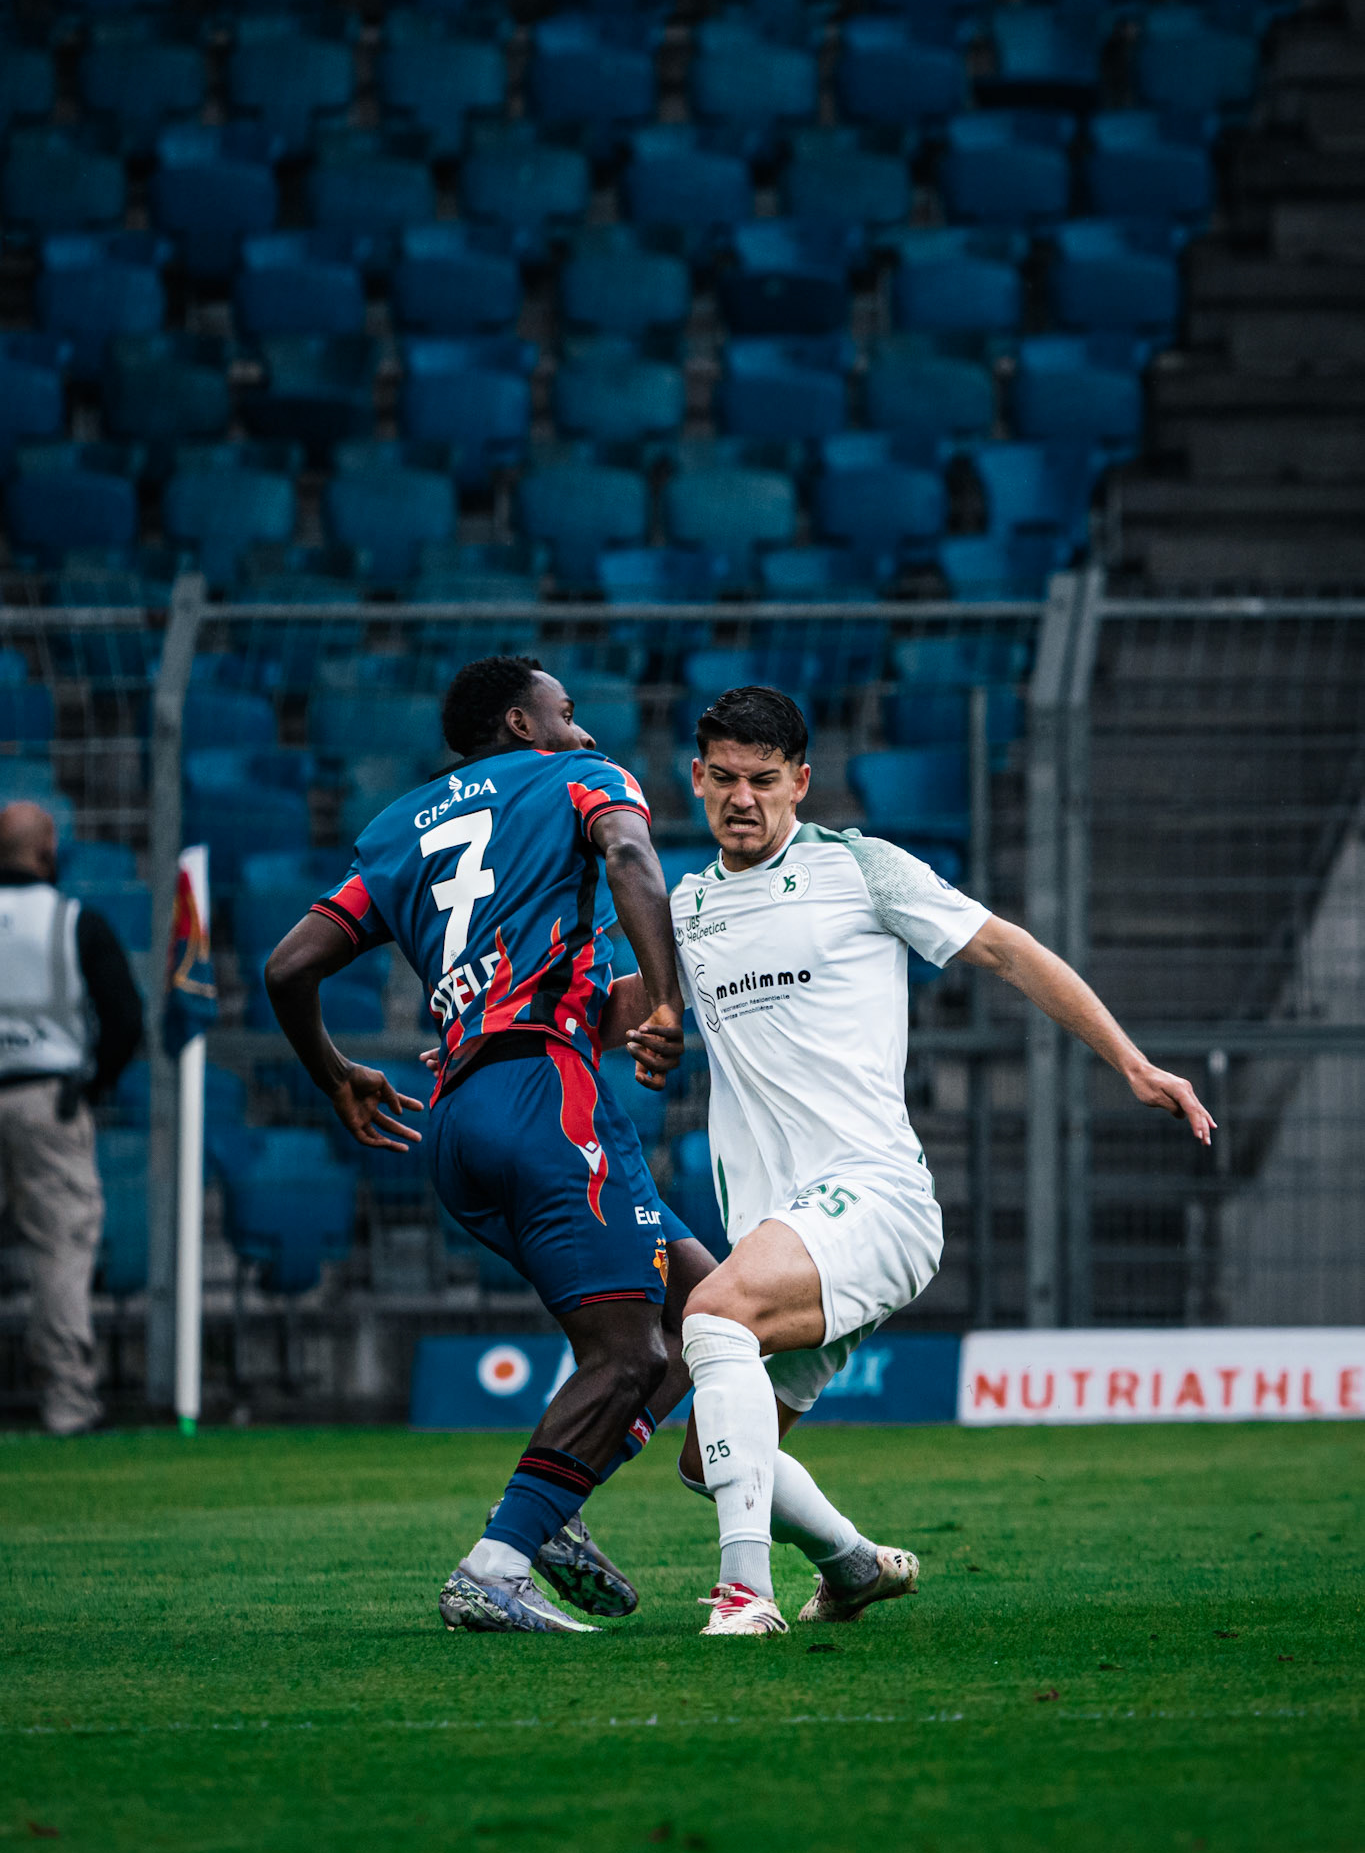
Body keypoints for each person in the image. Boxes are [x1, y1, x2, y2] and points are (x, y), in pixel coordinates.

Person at [617, 686, 1215, 1637]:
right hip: (790, 1228)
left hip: (875, 1199)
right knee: (714, 1458)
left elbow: (1010, 952)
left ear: (800, 782)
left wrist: (1133, 1063)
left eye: (763, 781)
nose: (742, 798)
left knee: (712, 1314)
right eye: (723, 778)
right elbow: (638, 1008)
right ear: (695, 779)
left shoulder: (861, 870)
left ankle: (744, 1597)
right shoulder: (687, 909)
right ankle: (852, 1567)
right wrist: (511, 1034)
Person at [264, 655, 710, 1635]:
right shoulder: (579, 779)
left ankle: (555, 1513)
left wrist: (337, 1072)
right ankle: (499, 1560)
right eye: (568, 708)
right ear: (520, 721)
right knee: (631, 1349)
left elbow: (290, 963)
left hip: (460, 1114)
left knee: (707, 1306)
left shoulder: (395, 830)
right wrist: (670, 1000)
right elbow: (634, 860)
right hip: (548, 1095)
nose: (585, 727)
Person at [0, 802, 143, 1435]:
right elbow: (125, 1020)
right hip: (46, 1102)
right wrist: (91, 1085)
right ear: (46, 849)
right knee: (60, 1249)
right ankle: (66, 1405)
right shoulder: (74, 921)